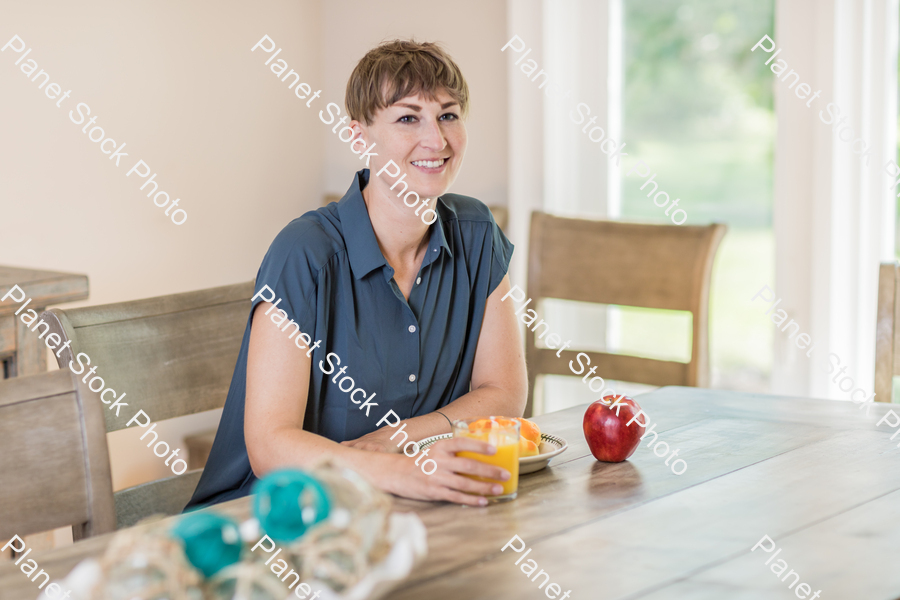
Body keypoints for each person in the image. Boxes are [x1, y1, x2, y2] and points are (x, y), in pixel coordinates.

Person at [186, 39, 527, 510]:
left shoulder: (476, 233)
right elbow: (269, 446)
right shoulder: (304, 252)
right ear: (358, 135)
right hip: (276, 521)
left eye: (448, 114)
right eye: (408, 118)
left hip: (408, 509)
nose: (437, 139)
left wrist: (397, 442)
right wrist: (403, 470)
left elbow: (504, 395)